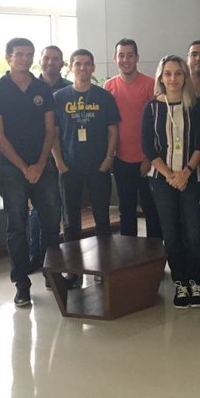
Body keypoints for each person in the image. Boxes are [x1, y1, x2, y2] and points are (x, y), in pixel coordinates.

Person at [0, 38, 61, 307]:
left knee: (51, 222)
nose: (25, 59)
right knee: (16, 227)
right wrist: (24, 167)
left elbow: (50, 130)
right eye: (19, 54)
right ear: (8, 57)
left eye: (29, 54)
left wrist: (39, 164)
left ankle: (52, 274)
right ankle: (22, 284)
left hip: (42, 167)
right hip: (11, 169)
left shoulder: (42, 88)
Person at [142, 56, 200, 308]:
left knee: (193, 234)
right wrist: (170, 175)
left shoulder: (197, 106)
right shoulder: (151, 108)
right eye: (167, 74)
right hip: (162, 181)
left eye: (178, 73)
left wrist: (186, 172)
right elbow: (148, 147)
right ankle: (180, 282)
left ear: (185, 76)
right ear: (160, 77)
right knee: (171, 233)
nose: (173, 78)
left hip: (192, 178)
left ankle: (195, 281)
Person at [52, 49, 119, 268]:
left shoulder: (104, 97)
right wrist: (59, 162)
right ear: (71, 67)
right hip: (69, 168)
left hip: (98, 167)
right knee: (70, 223)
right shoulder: (59, 98)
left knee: (102, 220)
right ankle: (73, 270)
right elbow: (53, 133)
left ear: (93, 67)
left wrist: (108, 159)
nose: (83, 68)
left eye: (87, 64)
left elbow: (113, 131)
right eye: (78, 64)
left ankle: (105, 267)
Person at [104, 38, 162, 238]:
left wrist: (149, 158)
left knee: (151, 209)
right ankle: (129, 255)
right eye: (121, 55)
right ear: (115, 58)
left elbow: (158, 126)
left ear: (137, 57)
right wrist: (110, 156)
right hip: (121, 160)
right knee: (126, 210)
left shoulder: (150, 85)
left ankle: (154, 254)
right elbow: (108, 126)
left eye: (130, 55)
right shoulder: (109, 86)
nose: (125, 60)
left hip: (148, 160)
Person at [28, 45, 72, 272]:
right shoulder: (29, 88)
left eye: (56, 59)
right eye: (47, 58)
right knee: (39, 210)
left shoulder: (70, 89)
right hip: (39, 158)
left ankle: (57, 260)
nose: (51, 62)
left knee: (60, 209)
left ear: (62, 64)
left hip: (66, 156)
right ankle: (36, 256)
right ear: (40, 61)